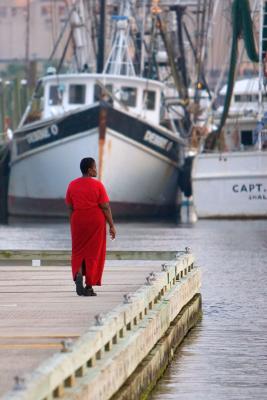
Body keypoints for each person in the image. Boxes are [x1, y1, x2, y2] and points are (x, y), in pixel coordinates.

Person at [65, 157, 116, 296]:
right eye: (94, 167)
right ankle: (88, 287)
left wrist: (73, 222)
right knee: (94, 253)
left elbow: (70, 207)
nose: (96, 170)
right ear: (89, 170)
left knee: (78, 251)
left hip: (78, 220)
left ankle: (79, 273)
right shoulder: (98, 185)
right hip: (95, 221)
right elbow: (105, 207)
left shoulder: (72, 185)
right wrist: (111, 225)